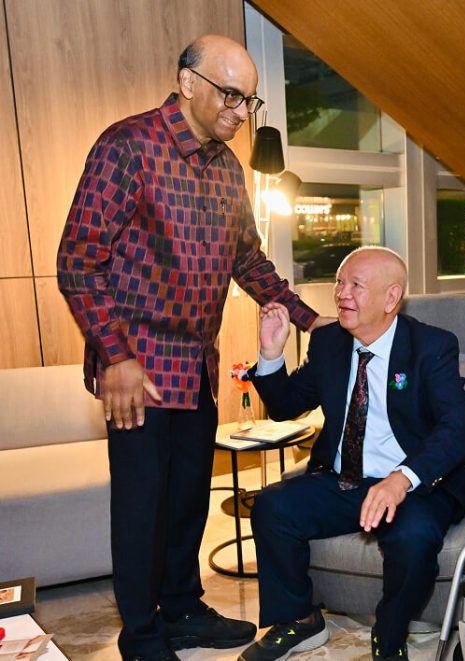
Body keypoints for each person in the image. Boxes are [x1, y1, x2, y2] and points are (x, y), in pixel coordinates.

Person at [55, 35, 331, 661]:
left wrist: (310, 319)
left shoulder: (229, 168)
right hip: (137, 366)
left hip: (195, 365)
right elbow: (77, 261)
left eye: (249, 101)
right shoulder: (127, 146)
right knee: (142, 507)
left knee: (185, 502)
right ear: (187, 83)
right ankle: (141, 634)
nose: (241, 112)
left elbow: (248, 260)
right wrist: (115, 356)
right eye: (231, 95)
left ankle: (181, 609)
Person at [239, 247, 465, 661]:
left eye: (356, 285)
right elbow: (286, 405)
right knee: (271, 507)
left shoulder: (430, 346)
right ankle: (300, 620)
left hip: (413, 485)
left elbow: (458, 428)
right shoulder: (329, 342)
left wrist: (401, 478)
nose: (341, 293)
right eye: (339, 282)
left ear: (391, 298)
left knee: (413, 539)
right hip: (345, 480)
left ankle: (389, 636)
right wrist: (271, 355)